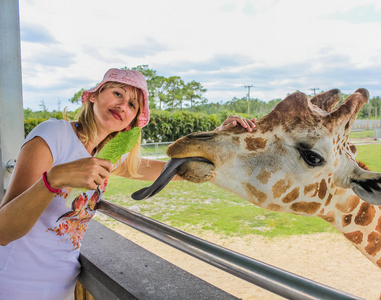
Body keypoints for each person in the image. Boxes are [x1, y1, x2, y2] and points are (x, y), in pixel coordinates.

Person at [0, 68, 256, 300]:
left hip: (62, 285)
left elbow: (169, 169)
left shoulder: (109, 155)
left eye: (133, 104)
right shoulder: (52, 135)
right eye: (117, 93)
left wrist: (218, 137)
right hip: (14, 283)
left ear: (132, 120)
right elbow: (4, 232)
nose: (123, 105)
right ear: (93, 96)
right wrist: (54, 179)